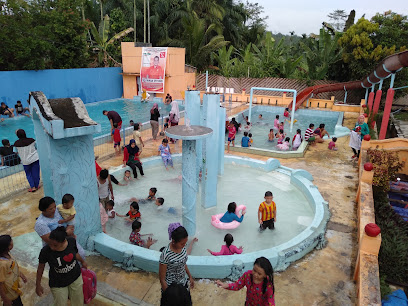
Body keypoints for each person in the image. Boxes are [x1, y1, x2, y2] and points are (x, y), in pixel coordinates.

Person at [36, 227, 87, 306]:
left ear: (63, 241)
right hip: (58, 283)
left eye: (55, 245)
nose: (52, 247)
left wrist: (82, 262)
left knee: (78, 302)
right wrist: (38, 284)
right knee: (60, 303)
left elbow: (75, 253)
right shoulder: (45, 251)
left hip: (75, 277)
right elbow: (40, 267)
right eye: (50, 244)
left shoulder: (71, 242)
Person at [159, 226, 194, 293]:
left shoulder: (183, 248)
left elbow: (183, 264)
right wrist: (168, 294)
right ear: (174, 241)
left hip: (183, 283)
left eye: (185, 243)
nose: (184, 245)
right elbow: (162, 279)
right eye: (182, 244)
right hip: (170, 287)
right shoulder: (166, 254)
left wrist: (190, 277)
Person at [0, 235, 27, 306]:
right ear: (8, 246)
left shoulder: (8, 255)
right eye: (11, 241)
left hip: (13, 290)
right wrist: (5, 299)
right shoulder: (2, 264)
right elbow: (0, 283)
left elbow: (13, 268)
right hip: (9, 293)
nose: (12, 242)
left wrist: (20, 274)